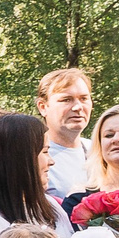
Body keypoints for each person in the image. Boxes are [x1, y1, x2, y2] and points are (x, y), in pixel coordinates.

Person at [37, 68, 96, 197]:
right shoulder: (35, 156)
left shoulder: (99, 151)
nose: (78, 107)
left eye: (84, 98)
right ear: (43, 107)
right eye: (66, 100)